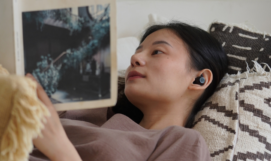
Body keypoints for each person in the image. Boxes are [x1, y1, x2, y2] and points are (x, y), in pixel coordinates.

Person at [27, 22, 228, 161]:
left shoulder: (183, 142)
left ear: (199, 79)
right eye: (137, 51)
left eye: (157, 52)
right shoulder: (91, 107)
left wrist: (59, 149)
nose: (135, 59)